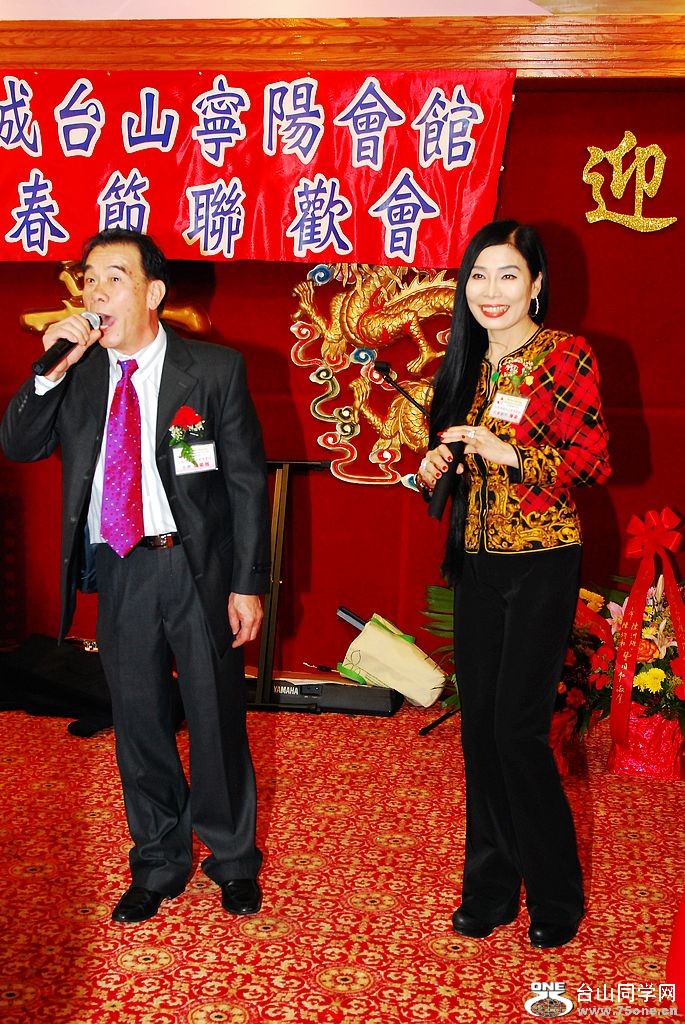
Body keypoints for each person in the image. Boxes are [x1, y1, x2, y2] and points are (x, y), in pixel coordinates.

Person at [0, 228, 271, 924]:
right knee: (139, 720)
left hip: (195, 566)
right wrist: (50, 371)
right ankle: (157, 861)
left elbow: (246, 483)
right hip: (120, 566)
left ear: (153, 293)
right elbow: (20, 444)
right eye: (88, 279)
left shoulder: (212, 370)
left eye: (113, 278)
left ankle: (233, 860)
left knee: (214, 715)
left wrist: (248, 583)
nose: (95, 292)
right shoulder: (78, 372)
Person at [417, 219, 610, 950]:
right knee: (479, 729)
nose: (489, 291)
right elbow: (450, 458)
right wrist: (433, 467)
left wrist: (511, 453)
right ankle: (490, 888)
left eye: (507, 275)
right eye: (477, 276)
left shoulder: (565, 354)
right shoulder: (463, 361)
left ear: (535, 284)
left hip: (541, 559)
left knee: (517, 732)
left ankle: (555, 893)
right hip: (475, 560)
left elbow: (593, 460)